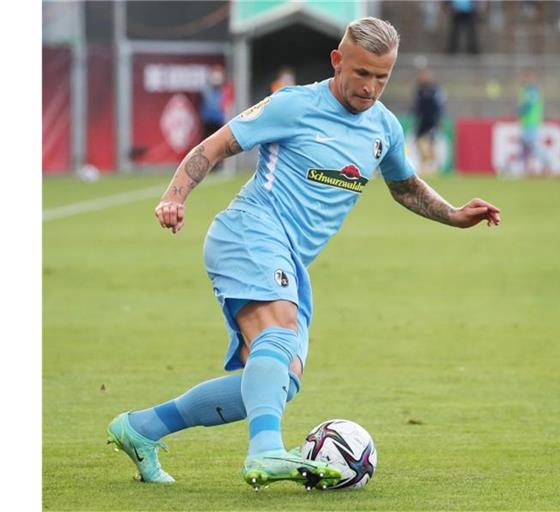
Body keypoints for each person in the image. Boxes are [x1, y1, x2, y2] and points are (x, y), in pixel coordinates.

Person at [106, 17, 500, 492]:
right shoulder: (293, 105)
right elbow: (213, 147)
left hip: (291, 260)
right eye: (361, 74)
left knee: (279, 380)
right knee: (279, 331)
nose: (371, 87)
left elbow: (405, 188)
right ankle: (266, 450)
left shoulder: (384, 128)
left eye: (382, 77)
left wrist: (455, 215)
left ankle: (142, 428)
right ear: (338, 61)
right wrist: (175, 196)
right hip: (250, 231)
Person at [411, 67, 446, 174]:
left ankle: (430, 167)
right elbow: (416, 107)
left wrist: (439, 120)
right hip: (421, 122)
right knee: (419, 144)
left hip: (431, 122)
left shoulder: (435, 90)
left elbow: (439, 106)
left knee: (429, 145)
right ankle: (426, 166)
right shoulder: (419, 90)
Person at [517, 71, 550, 175]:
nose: (523, 80)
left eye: (526, 77)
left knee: (531, 146)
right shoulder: (529, 90)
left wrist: (519, 111)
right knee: (525, 146)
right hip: (529, 122)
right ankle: (522, 169)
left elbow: (527, 105)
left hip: (531, 122)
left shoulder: (531, 90)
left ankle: (547, 162)